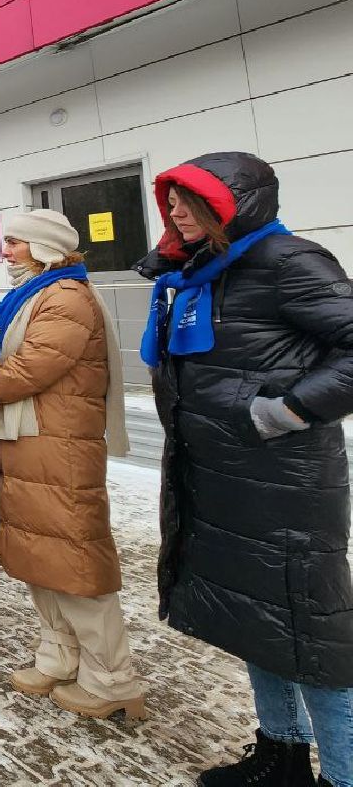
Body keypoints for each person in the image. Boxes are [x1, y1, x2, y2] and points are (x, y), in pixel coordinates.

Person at [137, 153, 353, 787]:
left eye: (191, 200)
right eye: (170, 201)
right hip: (222, 477)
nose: (176, 212)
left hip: (284, 483)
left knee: (313, 635)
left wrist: (289, 409)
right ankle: (281, 755)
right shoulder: (201, 272)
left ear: (236, 204)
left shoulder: (289, 262)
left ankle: (343, 774)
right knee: (259, 622)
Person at [0, 209, 145, 722]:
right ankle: (60, 657)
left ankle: (111, 680)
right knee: (42, 557)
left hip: (60, 446)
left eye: (15, 242)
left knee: (75, 561)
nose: (6, 251)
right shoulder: (36, 293)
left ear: (45, 249)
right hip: (32, 442)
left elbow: (34, 365)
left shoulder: (65, 297)